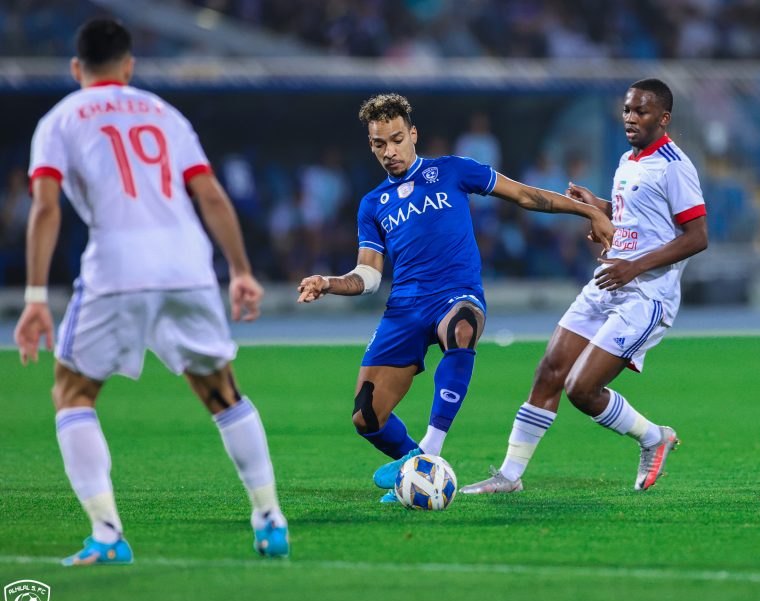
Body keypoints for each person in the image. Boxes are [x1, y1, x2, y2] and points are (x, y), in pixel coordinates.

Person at [14, 18, 289, 565]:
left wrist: (35, 296)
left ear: (76, 69)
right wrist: (239, 269)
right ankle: (270, 518)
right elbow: (208, 193)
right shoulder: (164, 113)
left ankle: (108, 534)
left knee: (72, 394)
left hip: (117, 267)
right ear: (129, 66)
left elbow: (45, 207)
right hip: (188, 263)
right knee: (221, 392)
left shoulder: (59, 119)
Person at [297, 93, 615, 503]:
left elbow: (523, 195)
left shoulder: (452, 170)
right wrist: (328, 282)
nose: (389, 151)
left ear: (413, 135)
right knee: (366, 416)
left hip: (456, 294)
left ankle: (430, 450)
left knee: (461, 328)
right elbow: (369, 276)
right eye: (379, 144)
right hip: (405, 308)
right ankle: (416, 466)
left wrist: (586, 212)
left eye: (396, 139)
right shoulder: (372, 204)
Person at [460, 78, 709, 495]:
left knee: (582, 388)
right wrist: (597, 206)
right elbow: (635, 219)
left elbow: (696, 236)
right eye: (627, 109)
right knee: (549, 372)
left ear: (664, 118)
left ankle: (653, 437)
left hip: (646, 295)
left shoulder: (674, 166)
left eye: (641, 111)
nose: (630, 118)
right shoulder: (629, 160)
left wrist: (633, 267)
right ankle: (509, 476)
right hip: (608, 280)